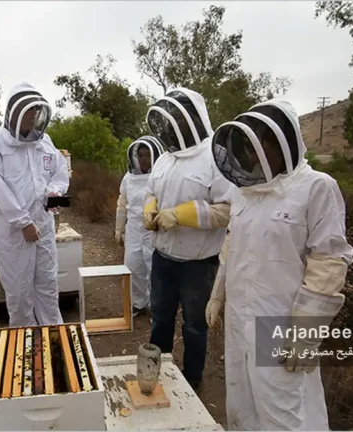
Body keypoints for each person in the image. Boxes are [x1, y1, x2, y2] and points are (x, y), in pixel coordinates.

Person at [206, 99, 353, 430]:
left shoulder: (316, 188)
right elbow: (233, 243)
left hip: (279, 325)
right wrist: (218, 294)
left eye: (264, 145)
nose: (256, 154)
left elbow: (329, 261)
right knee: (240, 402)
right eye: (249, 146)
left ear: (284, 143)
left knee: (284, 411)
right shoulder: (244, 189)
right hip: (238, 318)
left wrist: (308, 329)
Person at [142, 88, 236, 391]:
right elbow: (151, 191)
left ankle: (192, 380)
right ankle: (158, 373)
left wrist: (181, 215)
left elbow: (228, 211)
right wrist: (150, 208)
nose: (176, 126)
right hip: (163, 258)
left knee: (195, 326)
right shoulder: (165, 159)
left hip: (198, 263)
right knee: (160, 320)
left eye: (182, 118)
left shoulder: (215, 158)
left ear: (194, 118)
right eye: (174, 119)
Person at [0, 82, 70, 327]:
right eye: (28, 111)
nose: (32, 116)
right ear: (13, 112)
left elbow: (60, 173)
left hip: (44, 228)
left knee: (48, 287)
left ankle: (53, 338)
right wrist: (23, 222)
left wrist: (55, 193)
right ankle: (24, 345)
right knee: (19, 293)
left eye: (35, 111)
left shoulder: (45, 141)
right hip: (14, 233)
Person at [114, 136, 167, 317]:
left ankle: (156, 306)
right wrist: (118, 228)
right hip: (133, 228)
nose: (144, 159)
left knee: (153, 268)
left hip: (153, 228)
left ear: (154, 156)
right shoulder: (129, 178)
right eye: (141, 155)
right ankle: (138, 302)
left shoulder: (160, 177)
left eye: (147, 155)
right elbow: (122, 203)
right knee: (132, 265)